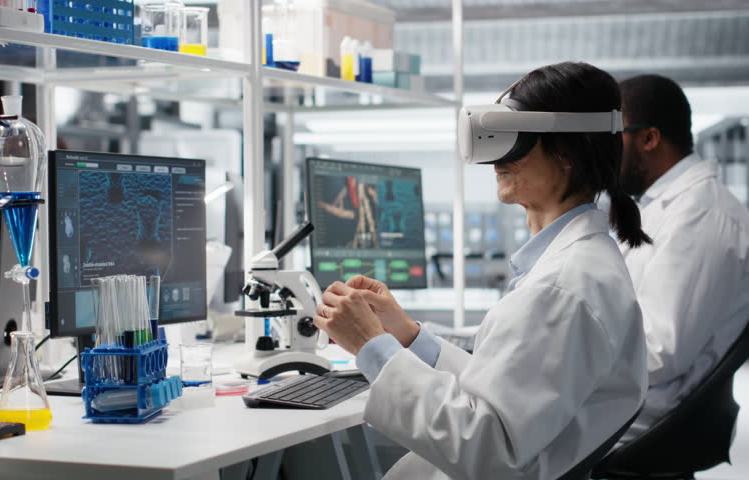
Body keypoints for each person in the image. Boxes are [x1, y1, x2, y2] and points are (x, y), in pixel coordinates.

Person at [312, 61, 650, 480]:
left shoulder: (563, 287)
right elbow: (505, 394)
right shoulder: (574, 267)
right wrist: (410, 338)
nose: (496, 158)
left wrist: (371, 345)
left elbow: (485, 445)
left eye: (514, 140)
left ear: (565, 151)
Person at [617, 74, 749, 443]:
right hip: (622, 400)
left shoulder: (702, 215)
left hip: (640, 419)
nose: (604, 153)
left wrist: (572, 354)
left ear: (649, 138)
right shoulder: (662, 207)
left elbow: (659, 352)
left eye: (613, 137)